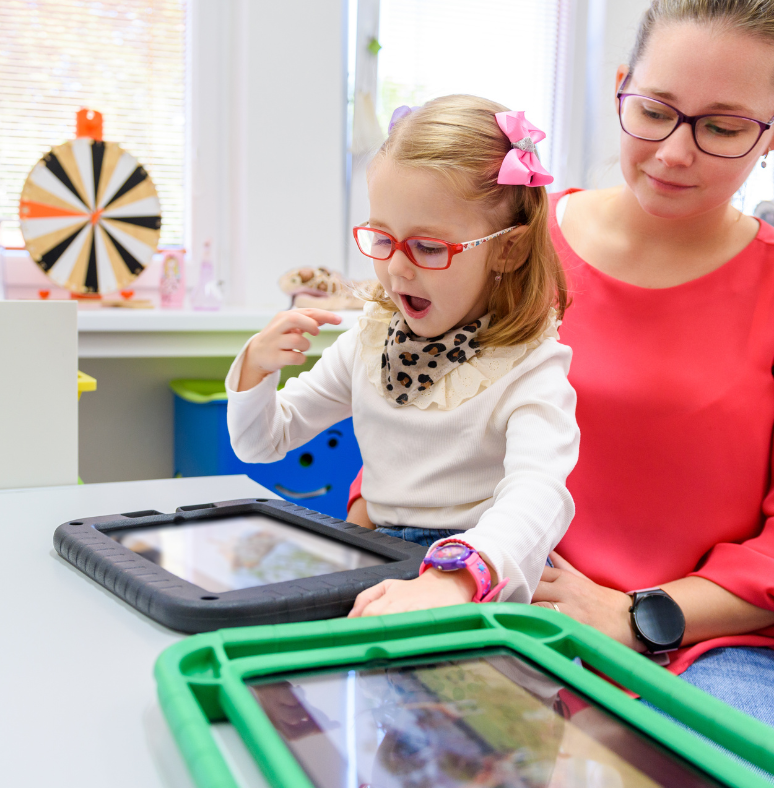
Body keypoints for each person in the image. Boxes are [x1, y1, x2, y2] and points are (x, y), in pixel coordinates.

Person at [346, 0, 774, 760]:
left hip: (710, 641)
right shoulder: (518, 244)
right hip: (488, 592)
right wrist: (377, 525)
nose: (674, 153)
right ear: (623, 86)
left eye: (722, 127)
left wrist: (635, 613)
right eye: (655, 111)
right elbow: (422, 393)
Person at [227, 95, 579, 616]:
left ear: (510, 249)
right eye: (381, 239)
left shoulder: (530, 366)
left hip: (483, 570)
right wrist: (256, 368)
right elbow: (262, 442)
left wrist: (458, 577)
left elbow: (538, 496)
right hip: (380, 556)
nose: (397, 269)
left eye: (429, 248)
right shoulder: (370, 342)